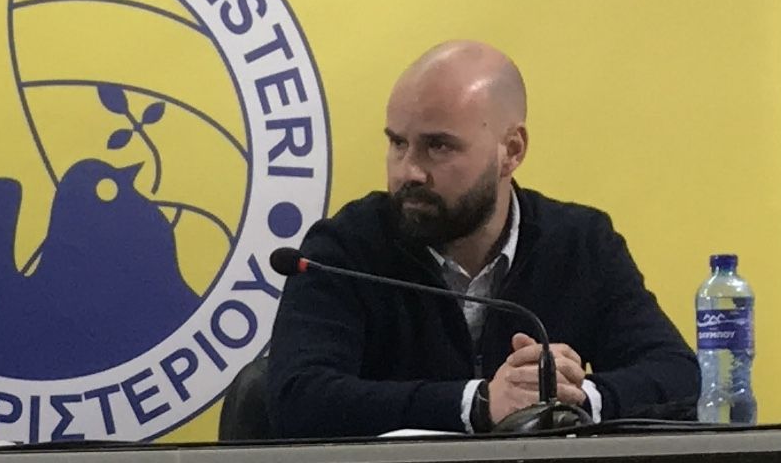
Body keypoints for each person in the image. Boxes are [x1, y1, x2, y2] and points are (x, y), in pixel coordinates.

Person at [266, 40, 697, 437]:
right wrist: (478, 404)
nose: (408, 171)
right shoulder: (343, 249)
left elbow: (677, 373)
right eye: (398, 143)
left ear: (511, 150)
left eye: (438, 147)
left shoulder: (582, 244)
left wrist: (573, 398)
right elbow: (297, 397)